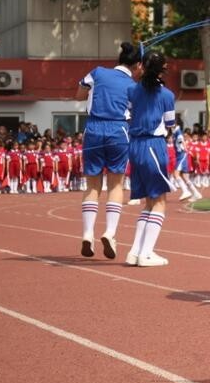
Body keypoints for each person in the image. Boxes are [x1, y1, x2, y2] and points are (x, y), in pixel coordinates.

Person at [75, 42, 142, 258]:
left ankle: (87, 234)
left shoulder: (98, 72)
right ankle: (110, 232)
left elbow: (79, 94)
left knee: (92, 185)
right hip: (118, 130)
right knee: (116, 184)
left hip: (93, 128)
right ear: (137, 64)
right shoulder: (133, 86)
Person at [123, 51, 177, 267]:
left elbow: (128, 115)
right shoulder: (166, 95)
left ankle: (136, 251)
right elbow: (170, 124)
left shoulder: (131, 90)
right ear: (162, 69)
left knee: (149, 202)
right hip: (153, 145)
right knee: (160, 201)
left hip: (135, 146)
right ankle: (146, 253)